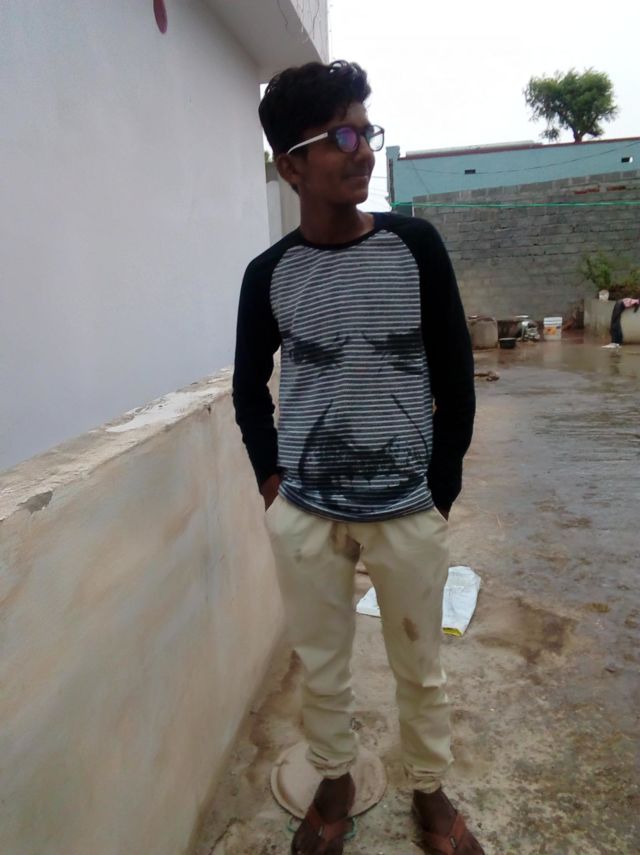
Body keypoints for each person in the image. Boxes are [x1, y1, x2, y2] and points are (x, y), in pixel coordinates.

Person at [232, 60, 481, 855]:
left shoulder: (416, 247)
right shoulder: (268, 276)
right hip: (307, 513)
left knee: (421, 663)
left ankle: (430, 791)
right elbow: (247, 389)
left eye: (366, 130)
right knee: (321, 664)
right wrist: (273, 485)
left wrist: (440, 489)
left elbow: (456, 375)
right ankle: (335, 782)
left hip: (407, 506)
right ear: (292, 166)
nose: (364, 150)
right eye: (341, 137)